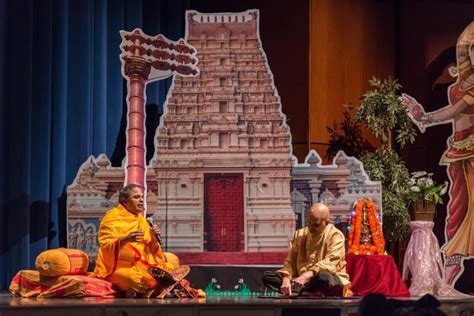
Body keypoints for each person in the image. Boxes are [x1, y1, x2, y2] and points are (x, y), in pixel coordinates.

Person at [400, 22, 474, 287]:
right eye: (472, 49)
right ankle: (449, 278)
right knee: (458, 211)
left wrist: (425, 118)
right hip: (461, 155)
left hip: (471, 155)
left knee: (465, 212)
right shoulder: (463, 80)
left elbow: (454, 111)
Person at [92, 184, 181, 297]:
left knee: (170, 265)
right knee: (133, 279)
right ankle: (160, 287)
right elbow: (105, 246)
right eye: (136, 197)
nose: (141, 200)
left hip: (142, 265)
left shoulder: (142, 220)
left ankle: (152, 288)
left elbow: (150, 250)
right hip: (119, 268)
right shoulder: (112, 217)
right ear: (124, 201)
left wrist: (154, 237)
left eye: (142, 197)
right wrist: (126, 239)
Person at [262, 203, 351, 297]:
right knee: (267, 276)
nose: (311, 227)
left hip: (321, 279)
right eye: (309, 222)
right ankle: (306, 291)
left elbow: (330, 263)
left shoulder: (335, 235)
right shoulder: (300, 234)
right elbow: (290, 262)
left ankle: (302, 291)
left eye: (316, 225)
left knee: (324, 277)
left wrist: (306, 276)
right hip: (300, 280)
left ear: (327, 222)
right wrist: (286, 279)